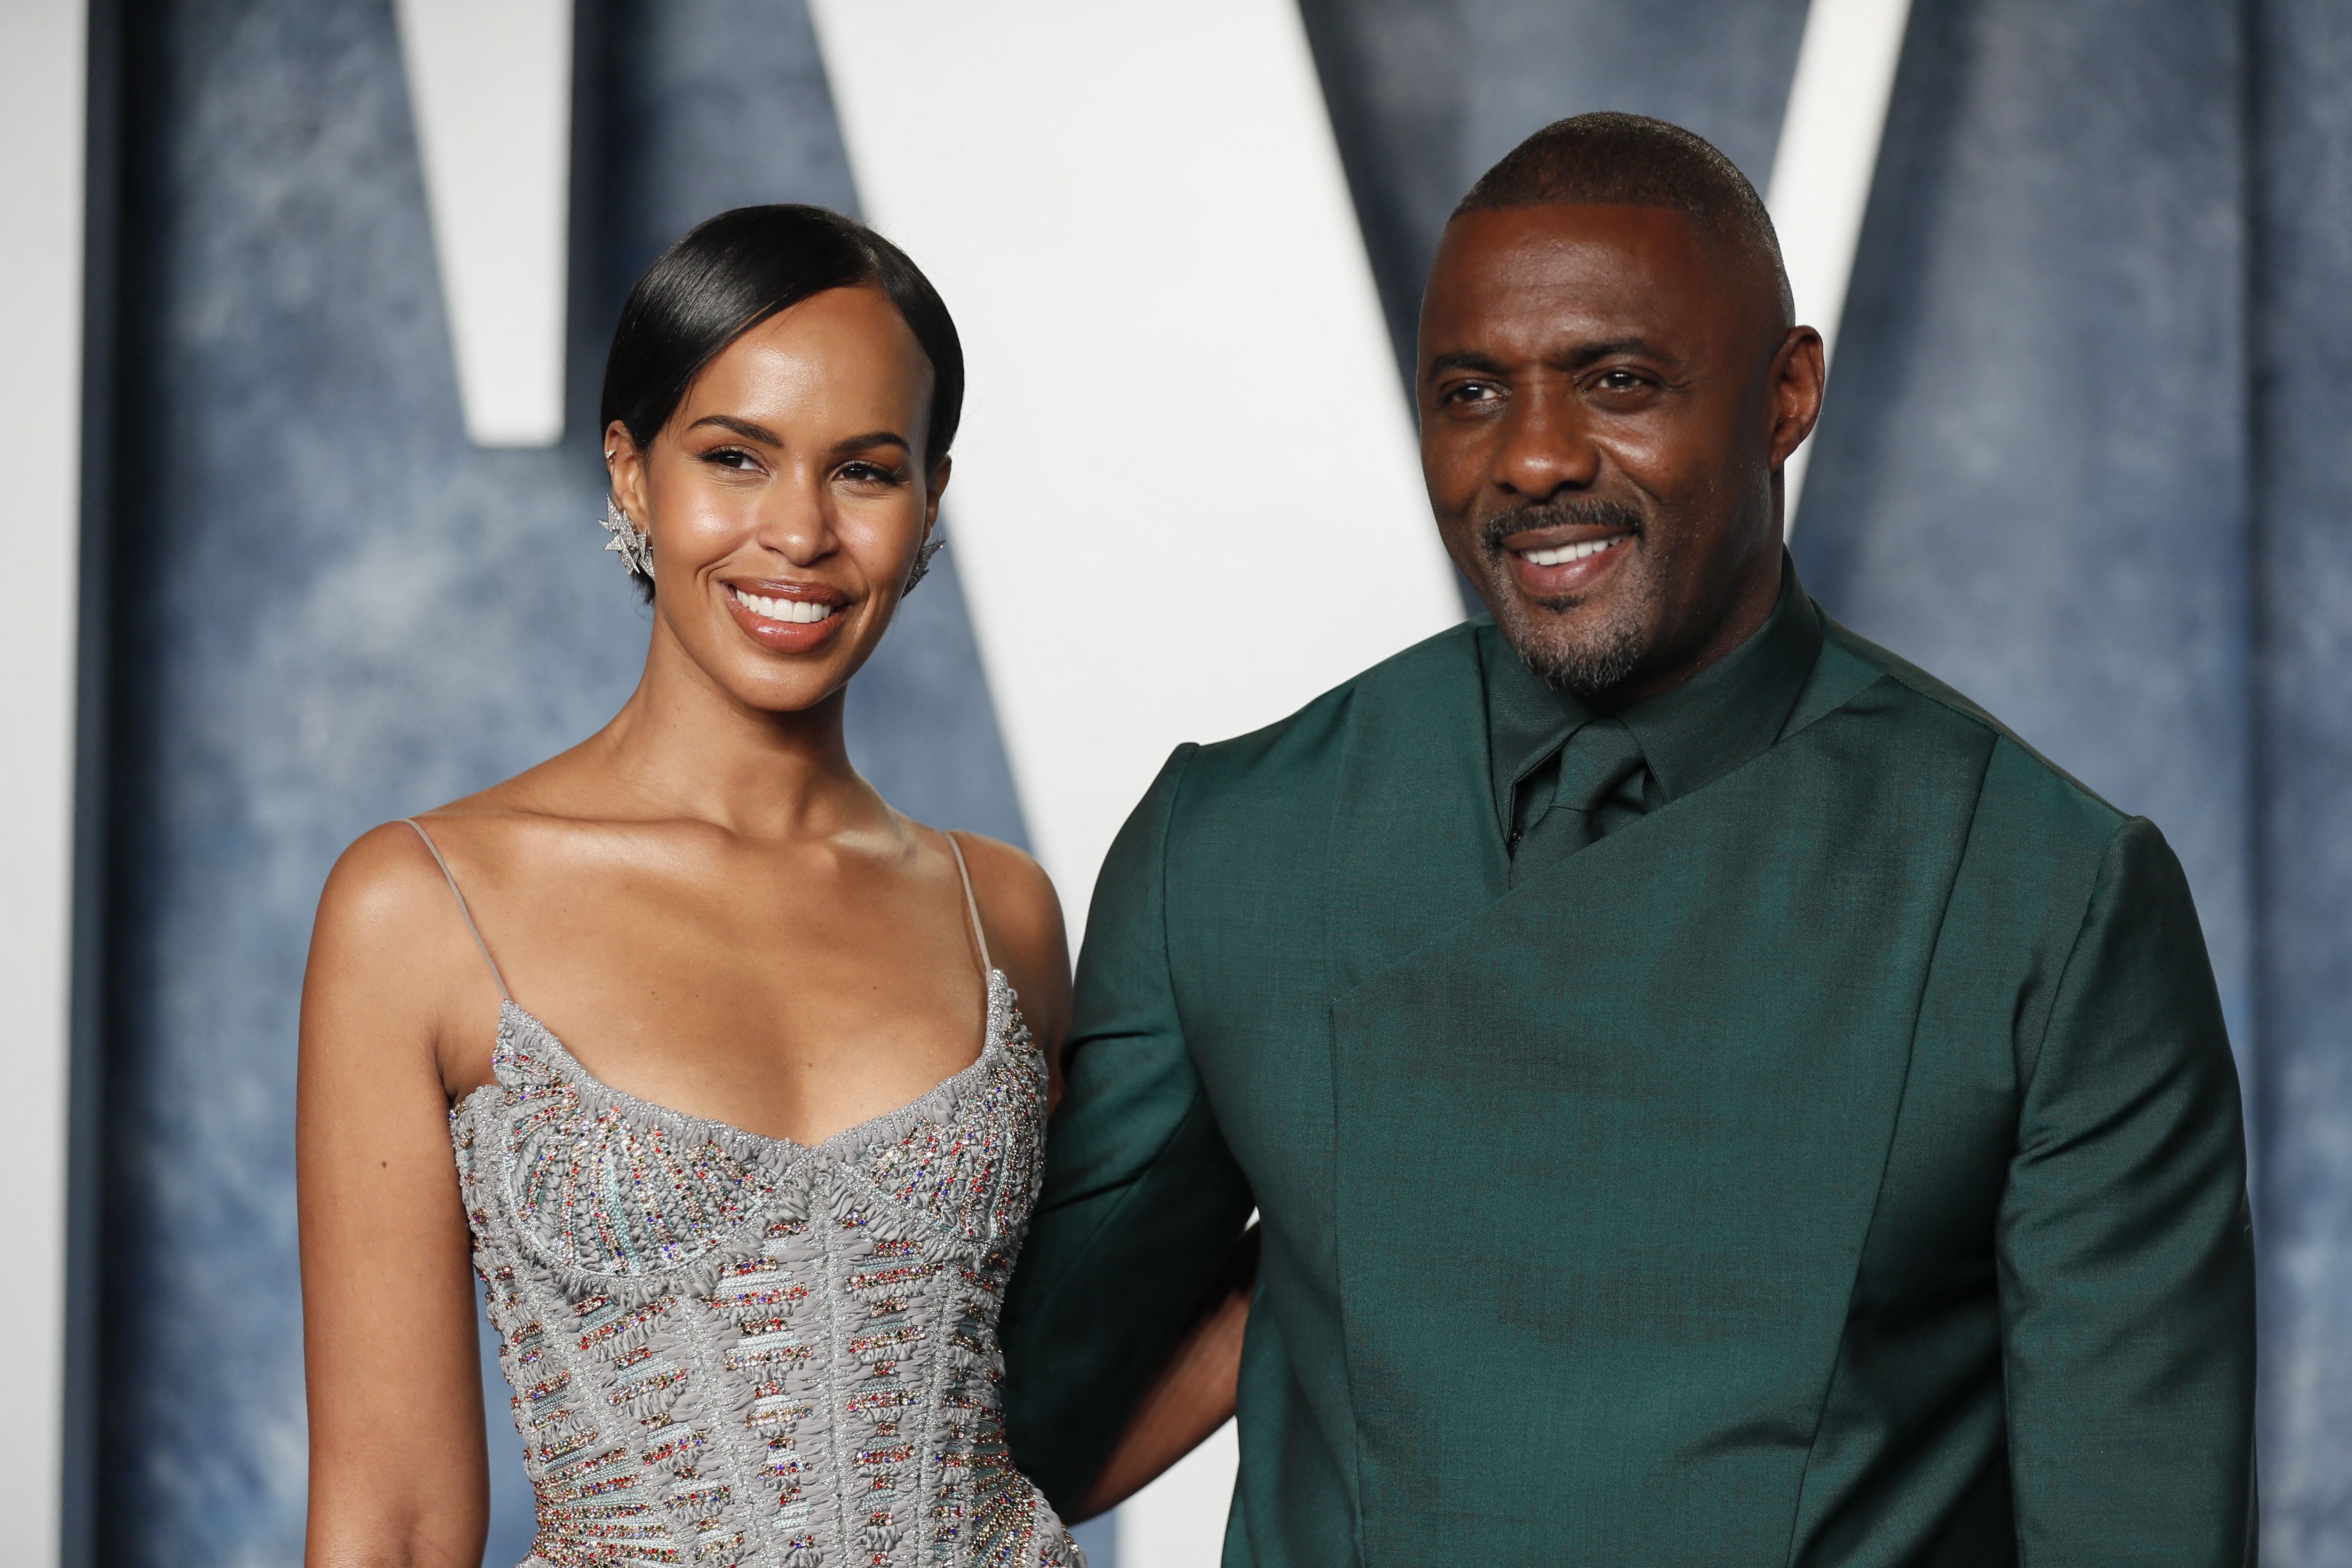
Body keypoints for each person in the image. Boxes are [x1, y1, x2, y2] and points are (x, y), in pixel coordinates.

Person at [1001, 113, 2257, 1564]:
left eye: (1619, 381)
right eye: (1472, 392)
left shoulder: (2046, 896)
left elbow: (2139, 1529)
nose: (1532, 459)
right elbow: (1028, 1429)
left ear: (1786, 395)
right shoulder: (1235, 844)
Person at [299, 206, 1092, 1567]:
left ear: (929, 502)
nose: (799, 533)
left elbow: (1046, 1405)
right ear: (630, 473)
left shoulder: (1001, 911)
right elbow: (397, 1523)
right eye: (736, 458)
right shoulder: (421, 907)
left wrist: (1318, 1263)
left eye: (865, 472)